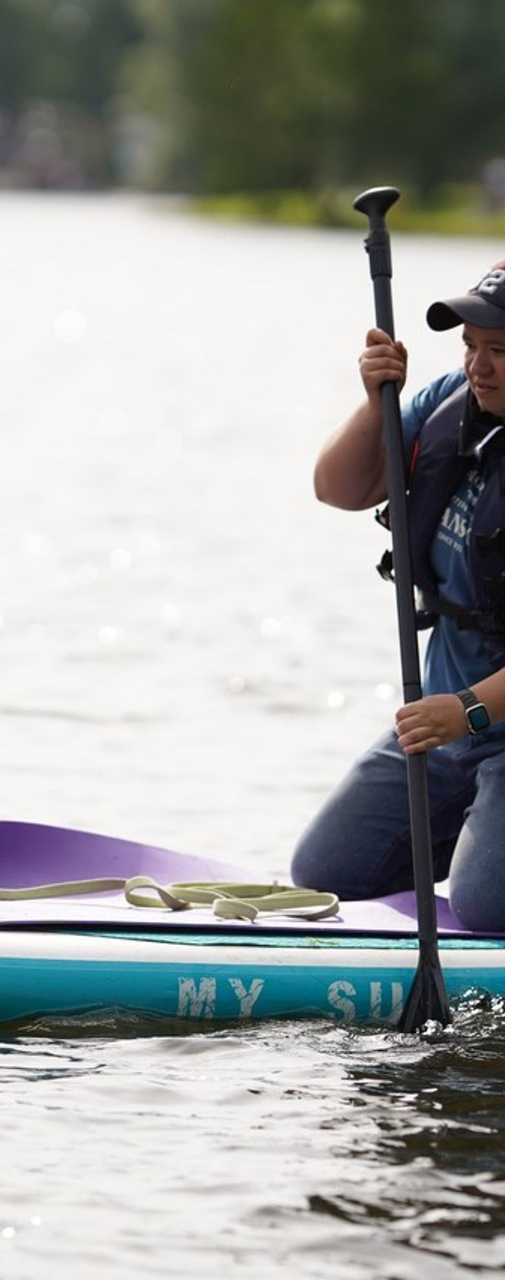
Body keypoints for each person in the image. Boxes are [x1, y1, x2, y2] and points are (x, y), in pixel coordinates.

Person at [290, 262, 505, 931]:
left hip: (474, 719)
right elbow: (338, 488)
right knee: (327, 871)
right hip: (446, 726)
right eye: (470, 346)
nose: (479, 367)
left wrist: (467, 711)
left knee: (484, 907)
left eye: (499, 351)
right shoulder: (447, 402)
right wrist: (376, 398)